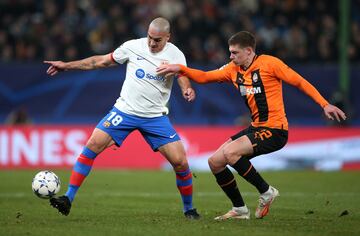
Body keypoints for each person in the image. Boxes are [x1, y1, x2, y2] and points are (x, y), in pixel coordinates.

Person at [156, 31, 346, 220]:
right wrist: (179, 69)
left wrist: (324, 104)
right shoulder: (233, 69)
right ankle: (239, 209)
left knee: (231, 153)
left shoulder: (270, 64)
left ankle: (266, 191)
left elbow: (299, 82)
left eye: (234, 53)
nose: (231, 56)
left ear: (248, 51)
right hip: (257, 127)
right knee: (215, 162)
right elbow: (205, 77)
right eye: (230, 52)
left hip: (275, 130)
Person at [44, 17, 200, 219]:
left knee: (180, 163)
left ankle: (189, 209)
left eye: (158, 40)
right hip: (124, 112)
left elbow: (182, 76)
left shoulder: (176, 54)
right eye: (150, 37)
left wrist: (187, 89)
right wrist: (66, 65)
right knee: (92, 145)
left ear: (168, 37)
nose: (152, 43)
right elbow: (98, 61)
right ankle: (68, 198)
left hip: (155, 117)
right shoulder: (132, 47)